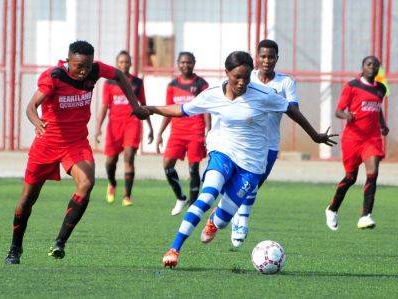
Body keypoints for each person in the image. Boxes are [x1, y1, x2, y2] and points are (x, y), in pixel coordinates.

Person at [145, 51, 336, 268]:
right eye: (237, 77)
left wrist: (315, 136)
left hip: (252, 164)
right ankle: (174, 248)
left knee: (224, 219)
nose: (242, 82)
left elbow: (291, 110)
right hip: (222, 152)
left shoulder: (263, 94)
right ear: (227, 73)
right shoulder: (213, 94)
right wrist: (150, 109)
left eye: (246, 77)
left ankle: (214, 221)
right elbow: (182, 110)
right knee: (207, 196)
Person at [4, 41, 149, 265]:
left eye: (88, 66)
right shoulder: (53, 76)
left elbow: (120, 76)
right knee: (27, 200)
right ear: (68, 61)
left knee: (87, 182)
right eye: (79, 66)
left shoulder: (96, 70)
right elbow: (30, 107)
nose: (84, 71)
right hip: (46, 145)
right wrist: (37, 122)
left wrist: (135, 105)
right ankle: (15, 248)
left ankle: (60, 242)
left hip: (76, 144)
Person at [229, 39, 337, 247]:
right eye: (263, 56)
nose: (267, 60)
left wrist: (314, 135)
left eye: (271, 57)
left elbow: (292, 110)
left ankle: (231, 211)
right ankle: (240, 221)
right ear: (256, 58)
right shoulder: (246, 78)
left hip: (269, 143)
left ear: (277, 59)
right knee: (245, 183)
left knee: (252, 185)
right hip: (244, 140)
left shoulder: (285, 83)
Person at [325, 55, 389, 231]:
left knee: (373, 172)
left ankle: (365, 215)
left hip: (372, 138)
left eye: (376, 66)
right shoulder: (352, 86)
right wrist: (347, 116)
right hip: (353, 138)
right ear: (363, 66)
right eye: (369, 64)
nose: (373, 68)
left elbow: (377, 108)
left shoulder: (381, 89)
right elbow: (339, 111)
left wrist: (383, 125)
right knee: (350, 178)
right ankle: (332, 209)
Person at [95, 50, 154, 206]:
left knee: (129, 156)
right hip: (114, 126)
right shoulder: (109, 83)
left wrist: (150, 127)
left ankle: (127, 196)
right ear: (116, 64)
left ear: (131, 63)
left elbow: (143, 105)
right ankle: (112, 183)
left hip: (132, 124)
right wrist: (98, 127)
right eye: (121, 62)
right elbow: (104, 106)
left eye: (126, 62)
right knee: (110, 162)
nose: (124, 64)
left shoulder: (137, 82)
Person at [156, 52, 210, 216]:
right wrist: (160, 133)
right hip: (177, 132)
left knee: (193, 167)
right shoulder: (172, 85)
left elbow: (206, 108)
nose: (185, 65)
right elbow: (168, 110)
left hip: (195, 130)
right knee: (167, 164)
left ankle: (193, 204)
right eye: (183, 62)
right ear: (178, 64)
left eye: (189, 62)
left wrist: (208, 130)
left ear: (194, 63)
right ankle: (180, 197)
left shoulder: (201, 84)